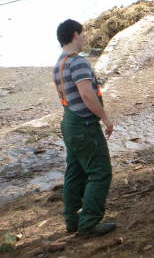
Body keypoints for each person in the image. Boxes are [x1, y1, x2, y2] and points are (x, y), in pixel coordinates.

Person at [53, 19, 115, 236]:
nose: (85, 37)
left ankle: (72, 220)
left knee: (75, 173)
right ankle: (89, 222)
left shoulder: (59, 64)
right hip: (84, 125)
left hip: (69, 123)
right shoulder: (77, 62)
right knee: (100, 172)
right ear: (74, 35)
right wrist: (105, 118)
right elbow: (87, 94)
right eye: (83, 33)